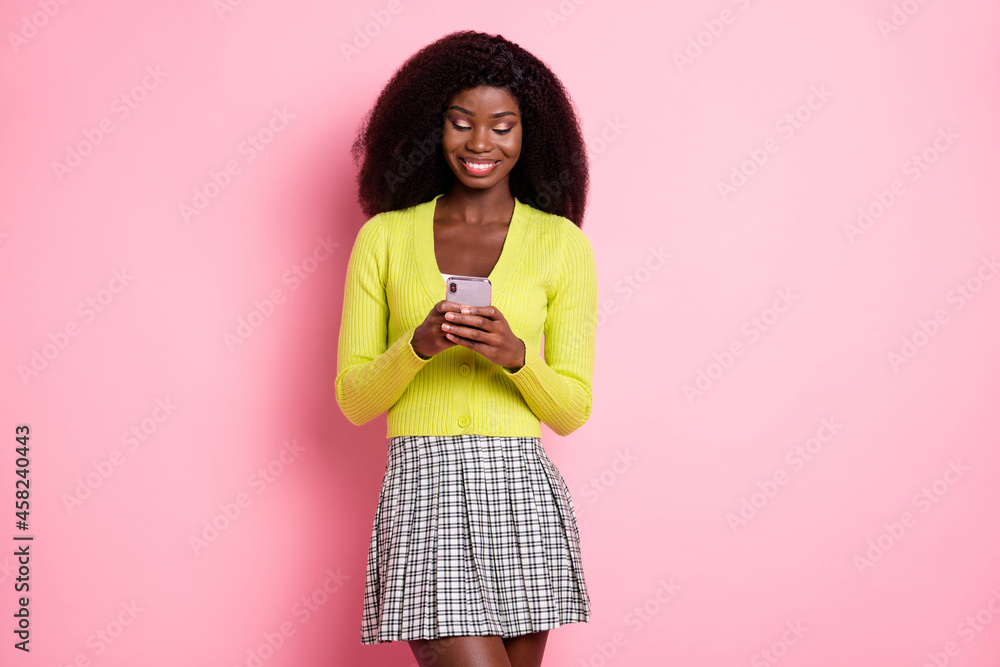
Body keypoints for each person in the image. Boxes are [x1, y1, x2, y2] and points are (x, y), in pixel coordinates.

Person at [336, 29, 598, 667]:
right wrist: (417, 346)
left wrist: (517, 357)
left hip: (520, 490)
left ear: (529, 134)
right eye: (461, 123)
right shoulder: (385, 240)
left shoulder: (561, 244)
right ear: (432, 127)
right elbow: (352, 399)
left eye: (502, 125)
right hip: (424, 490)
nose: (481, 143)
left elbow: (571, 409)